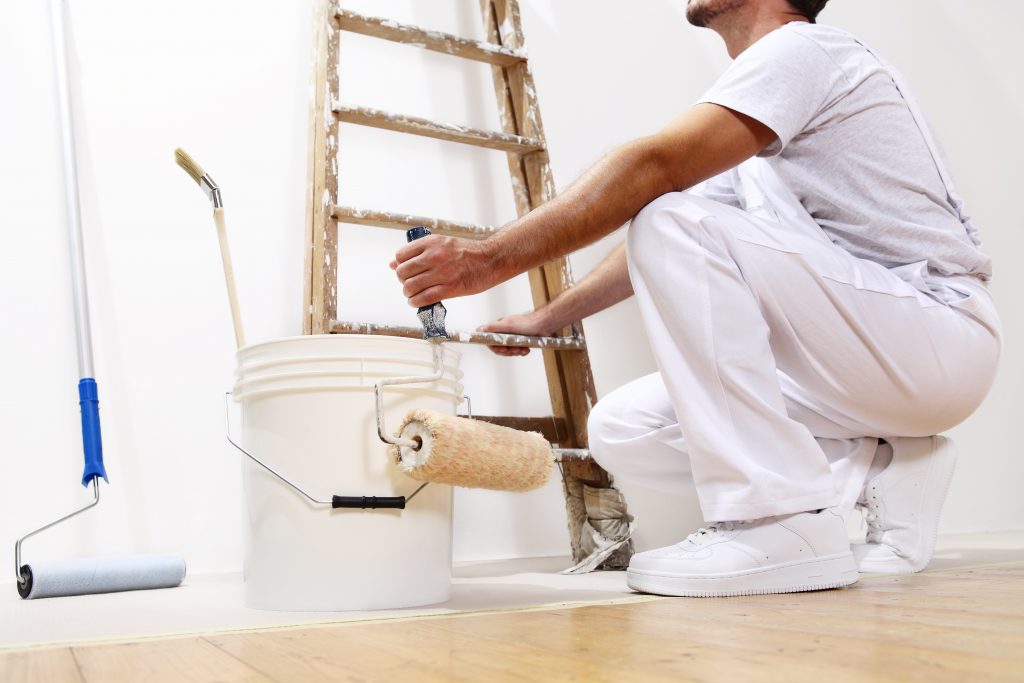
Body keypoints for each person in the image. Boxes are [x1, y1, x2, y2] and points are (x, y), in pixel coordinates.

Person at [390, 0, 1001, 597]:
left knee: (668, 216)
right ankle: (887, 466)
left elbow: (655, 174)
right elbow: (671, 236)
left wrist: (487, 259)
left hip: (933, 330)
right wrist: (547, 317)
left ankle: (777, 522)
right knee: (622, 428)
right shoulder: (759, 120)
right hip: (871, 357)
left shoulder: (804, 50)